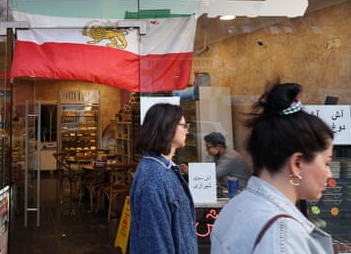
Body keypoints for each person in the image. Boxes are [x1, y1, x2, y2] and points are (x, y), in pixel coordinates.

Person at [210, 82, 334, 254]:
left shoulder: (235, 207)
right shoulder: (282, 234)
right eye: (327, 163)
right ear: (297, 163)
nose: (330, 173)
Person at [130, 103, 198, 254]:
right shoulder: (152, 179)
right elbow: (155, 243)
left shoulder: (162, 169)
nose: (187, 130)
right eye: (183, 125)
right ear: (168, 128)